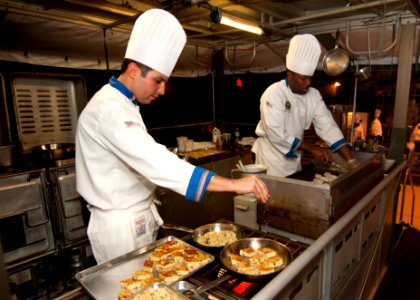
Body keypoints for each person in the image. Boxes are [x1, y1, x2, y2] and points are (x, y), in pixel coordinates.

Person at [75, 9, 269, 264]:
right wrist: (233, 184)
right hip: (120, 229)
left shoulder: (124, 103)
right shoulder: (109, 109)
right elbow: (155, 161)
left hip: (136, 218)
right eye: (158, 81)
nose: (163, 90)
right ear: (134, 70)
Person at [252, 34, 356, 177]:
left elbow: (328, 126)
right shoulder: (274, 93)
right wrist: (311, 148)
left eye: (310, 78)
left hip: (294, 158)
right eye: (303, 78)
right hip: (272, 160)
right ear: (290, 74)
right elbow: (275, 132)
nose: (308, 83)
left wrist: (350, 160)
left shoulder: (313, 95)